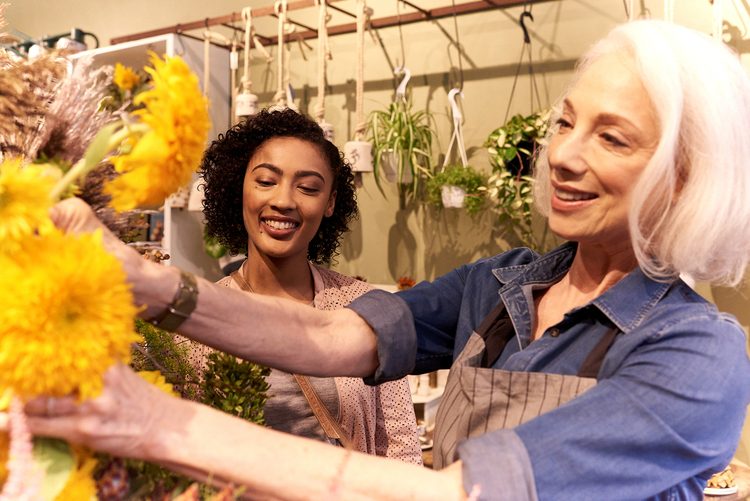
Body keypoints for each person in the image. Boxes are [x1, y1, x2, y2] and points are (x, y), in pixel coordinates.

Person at [22, 19, 750, 500]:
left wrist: (151, 425)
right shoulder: (505, 285)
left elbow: (458, 491)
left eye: (611, 137)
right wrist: (145, 281)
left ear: (687, 176)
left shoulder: (694, 353)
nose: (562, 154)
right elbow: (328, 335)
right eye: (565, 121)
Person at [178, 108, 422, 462]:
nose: (283, 201)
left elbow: (401, 449)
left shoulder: (367, 310)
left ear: (330, 203)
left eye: (307, 188)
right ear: (239, 187)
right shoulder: (199, 322)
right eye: (265, 181)